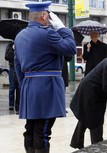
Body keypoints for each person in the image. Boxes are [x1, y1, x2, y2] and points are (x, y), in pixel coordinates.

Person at [14, 1, 77, 153]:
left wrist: (27, 85)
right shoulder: (47, 33)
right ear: (43, 15)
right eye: (48, 15)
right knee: (43, 131)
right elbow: (71, 48)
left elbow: (17, 65)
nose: (49, 19)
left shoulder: (20, 36)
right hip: (47, 86)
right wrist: (62, 28)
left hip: (29, 85)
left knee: (30, 128)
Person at [5, 41, 20, 114]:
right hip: (12, 67)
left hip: (19, 67)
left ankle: (18, 106)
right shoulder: (9, 45)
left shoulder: (21, 43)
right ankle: (11, 104)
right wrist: (12, 49)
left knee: (19, 87)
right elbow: (7, 57)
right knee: (12, 87)